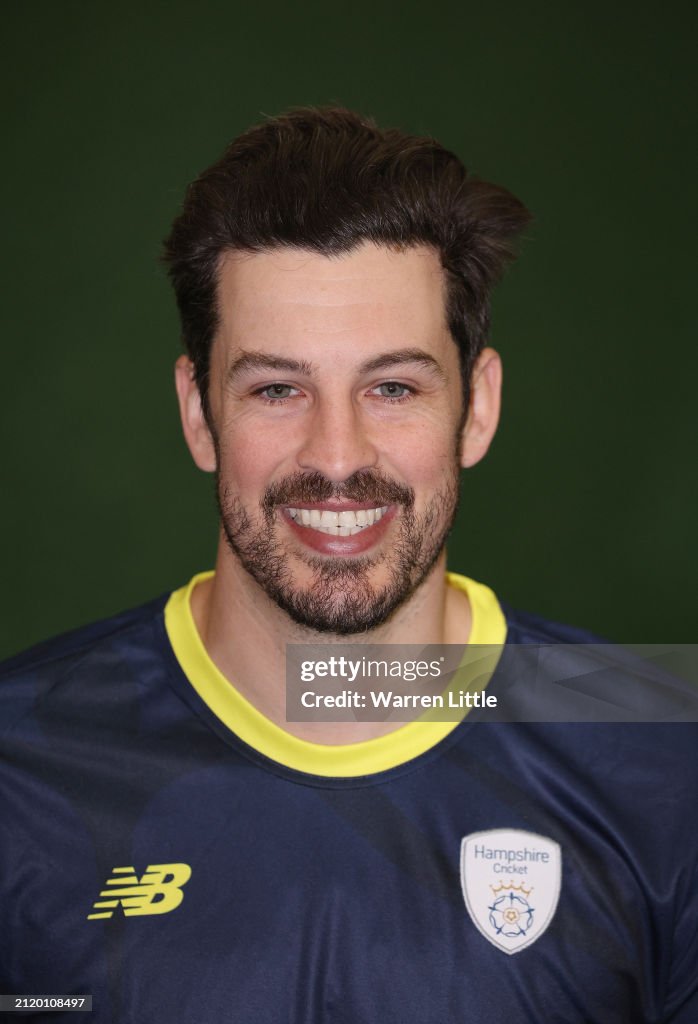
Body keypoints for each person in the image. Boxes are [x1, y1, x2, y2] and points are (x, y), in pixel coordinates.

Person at [1, 107, 696, 1023]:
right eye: (277, 389)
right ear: (198, 414)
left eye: (394, 387)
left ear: (477, 407)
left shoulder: (666, 764)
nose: (336, 455)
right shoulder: (19, 773)